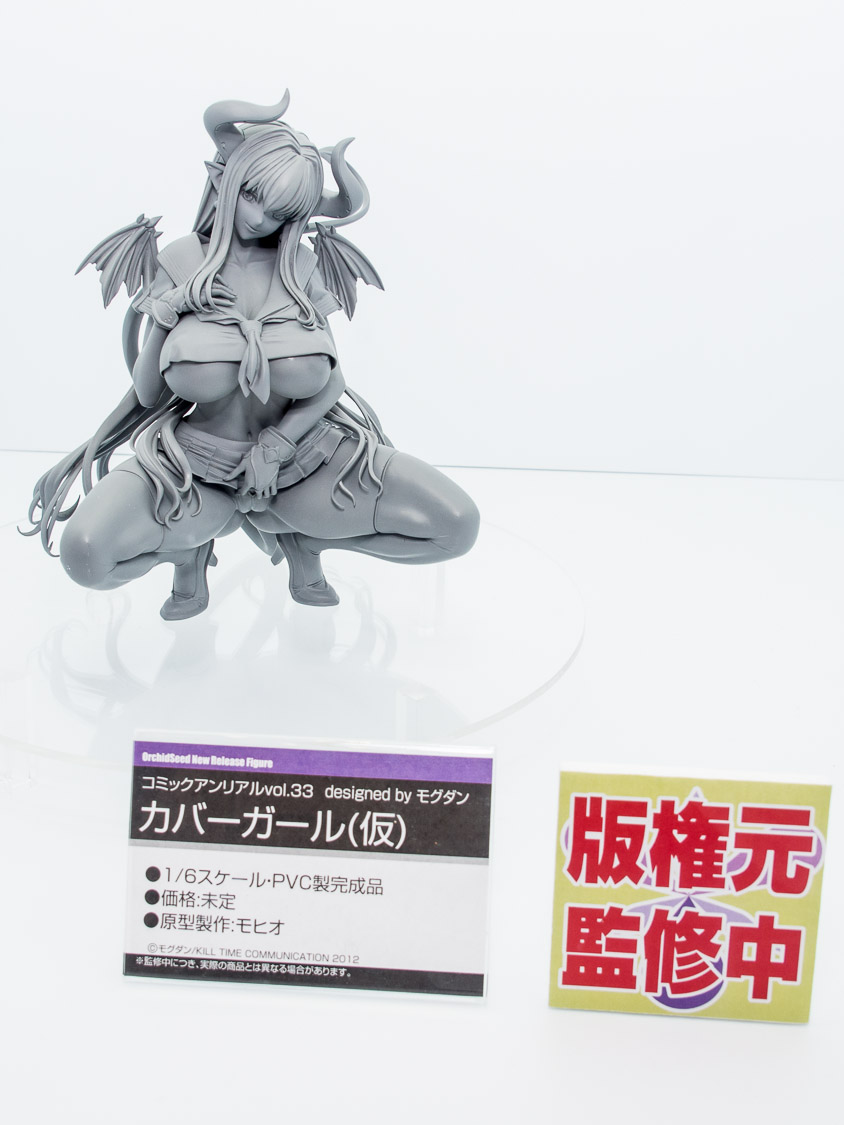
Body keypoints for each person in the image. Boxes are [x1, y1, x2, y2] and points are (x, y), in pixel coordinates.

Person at [28, 94, 479, 620]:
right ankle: (187, 553)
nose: (259, 219)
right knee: (86, 556)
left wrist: (276, 445)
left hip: (307, 464)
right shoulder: (180, 260)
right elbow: (149, 393)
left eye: (281, 212)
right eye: (251, 195)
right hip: (193, 471)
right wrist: (169, 312)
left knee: (456, 525)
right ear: (225, 179)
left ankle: (307, 540)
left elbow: (332, 381)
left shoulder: (301, 267)